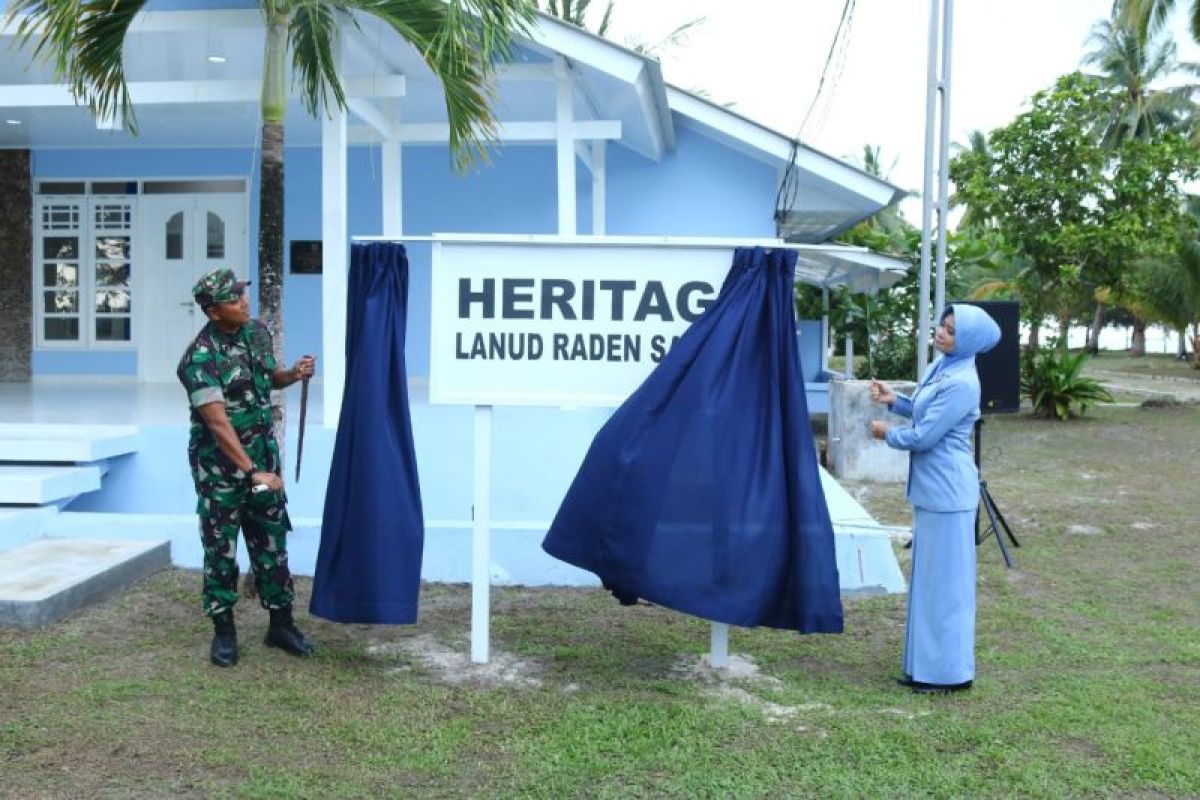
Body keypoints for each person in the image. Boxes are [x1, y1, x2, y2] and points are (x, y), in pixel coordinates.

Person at [177, 268, 316, 668]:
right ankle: (224, 633)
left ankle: (281, 626)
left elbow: (266, 378)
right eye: (233, 298)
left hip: (262, 458)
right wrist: (252, 472)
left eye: (241, 293)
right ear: (213, 311)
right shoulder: (199, 358)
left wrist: (292, 374)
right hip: (220, 470)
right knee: (221, 549)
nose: (242, 300)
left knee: (272, 541)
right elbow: (218, 424)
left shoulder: (256, 333)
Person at [868, 304, 1000, 694]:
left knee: (946, 589)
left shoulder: (962, 382)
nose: (942, 334)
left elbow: (925, 437)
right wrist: (895, 401)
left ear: (969, 341)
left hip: (948, 492)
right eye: (942, 327)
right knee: (929, 585)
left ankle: (948, 674)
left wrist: (885, 433)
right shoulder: (942, 367)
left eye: (952, 331)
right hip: (932, 491)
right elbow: (924, 412)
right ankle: (925, 667)